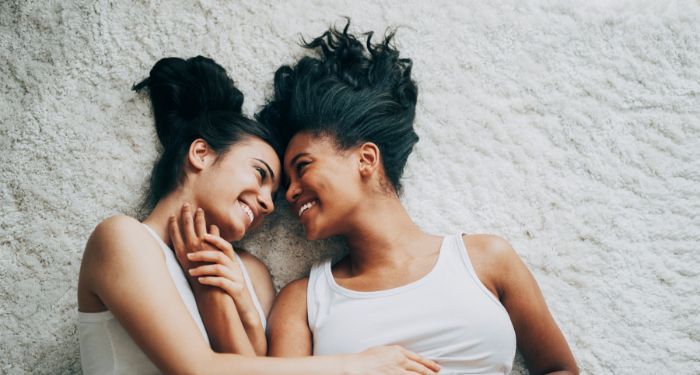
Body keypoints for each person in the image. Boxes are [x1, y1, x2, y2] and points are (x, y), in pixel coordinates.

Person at [77, 55, 441, 375]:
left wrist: (223, 299)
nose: (268, 203)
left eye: (273, 196)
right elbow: (199, 368)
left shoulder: (251, 275)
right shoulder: (124, 239)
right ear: (201, 153)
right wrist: (355, 365)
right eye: (260, 174)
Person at [254, 22, 579, 374]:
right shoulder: (303, 302)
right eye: (286, 181)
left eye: (302, 166)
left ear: (366, 159)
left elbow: (560, 368)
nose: (289, 192)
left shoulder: (486, 259)